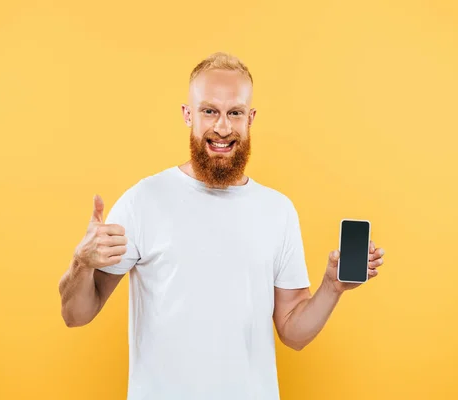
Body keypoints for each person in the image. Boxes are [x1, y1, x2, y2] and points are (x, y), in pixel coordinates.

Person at [58, 52, 386, 400]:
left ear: (250, 118)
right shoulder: (143, 201)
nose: (223, 127)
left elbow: (294, 332)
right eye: (209, 110)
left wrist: (332, 287)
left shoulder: (277, 211)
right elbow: (76, 315)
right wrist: (81, 263)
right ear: (188, 114)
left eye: (235, 113)